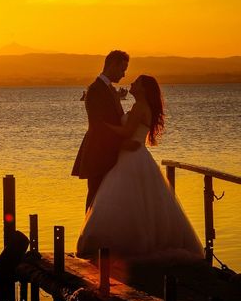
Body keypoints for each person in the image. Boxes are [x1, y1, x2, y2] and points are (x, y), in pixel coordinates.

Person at [76, 75, 203, 259]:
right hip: (135, 154)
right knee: (137, 201)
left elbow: (127, 131)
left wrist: (103, 126)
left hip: (131, 156)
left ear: (143, 89)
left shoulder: (140, 108)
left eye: (136, 83)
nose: (132, 83)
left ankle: (124, 243)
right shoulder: (141, 107)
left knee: (124, 199)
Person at [72, 50, 137, 211]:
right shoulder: (95, 90)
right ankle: (88, 233)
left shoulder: (109, 89)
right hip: (98, 154)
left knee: (106, 200)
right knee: (95, 197)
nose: (123, 74)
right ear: (112, 65)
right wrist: (123, 144)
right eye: (122, 69)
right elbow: (98, 125)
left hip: (108, 155)